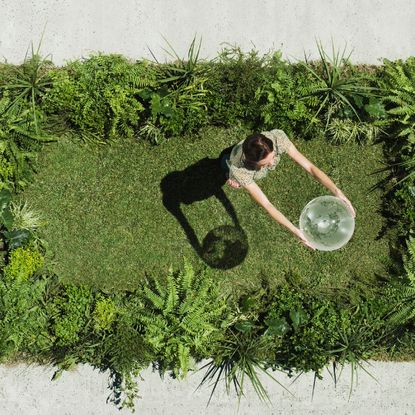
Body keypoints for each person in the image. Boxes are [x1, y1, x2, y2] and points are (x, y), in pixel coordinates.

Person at [219, 129, 356, 251]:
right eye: (266, 164)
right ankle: (225, 165)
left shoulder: (278, 138)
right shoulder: (241, 171)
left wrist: (337, 192)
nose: (272, 164)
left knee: (253, 161)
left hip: (249, 153)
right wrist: (295, 231)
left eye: (273, 157)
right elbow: (267, 205)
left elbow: (310, 168)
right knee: (225, 163)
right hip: (236, 162)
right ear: (252, 162)